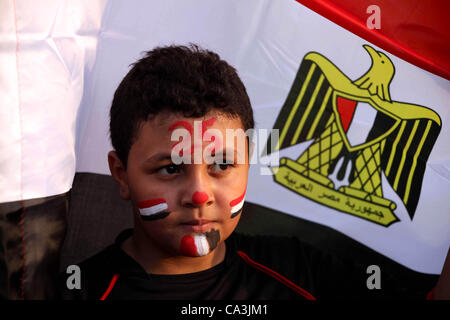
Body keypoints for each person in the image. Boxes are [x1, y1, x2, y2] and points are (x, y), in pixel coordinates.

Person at [59, 44, 443, 300]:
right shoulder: (74, 291)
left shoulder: (302, 272)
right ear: (121, 174)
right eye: (171, 168)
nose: (199, 194)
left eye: (222, 165)